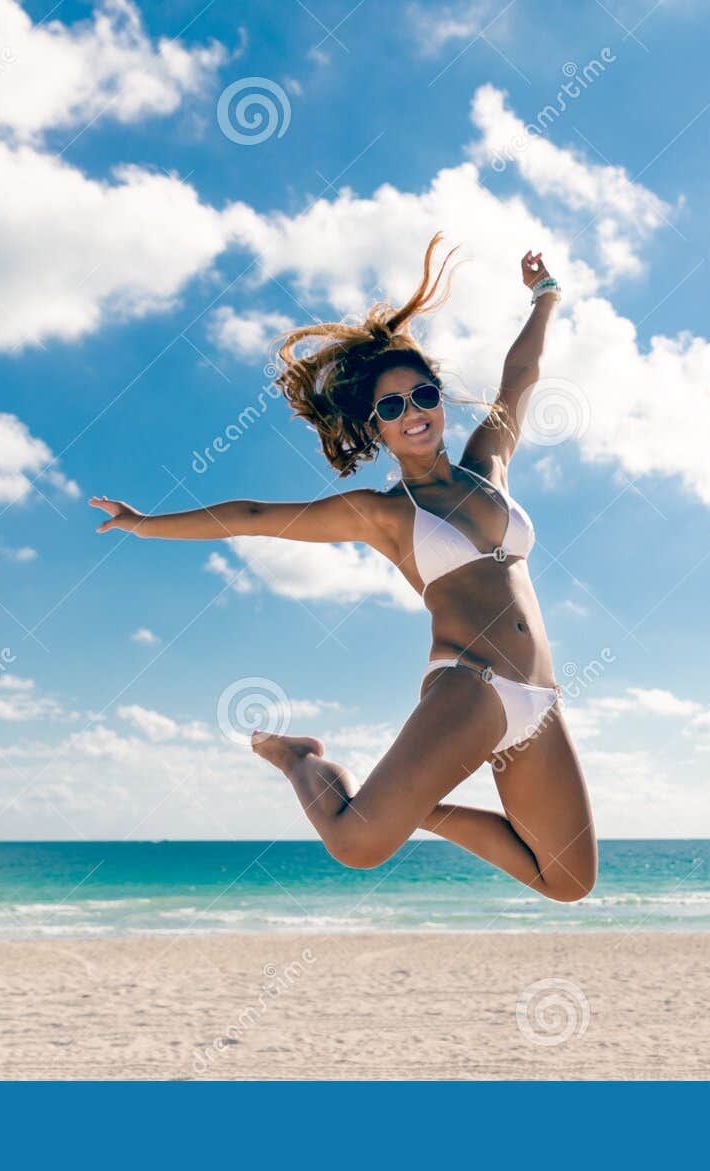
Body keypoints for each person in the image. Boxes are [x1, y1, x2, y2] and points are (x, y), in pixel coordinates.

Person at [90, 235, 595, 902]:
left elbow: (521, 377)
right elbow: (252, 514)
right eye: (391, 407)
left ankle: (413, 805)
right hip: (471, 684)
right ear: (376, 426)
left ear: (438, 397)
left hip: (538, 703)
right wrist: (145, 522)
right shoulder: (383, 513)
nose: (411, 413)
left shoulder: (489, 465)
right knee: (357, 844)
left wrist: (546, 296)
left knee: (567, 879)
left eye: (422, 395)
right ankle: (299, 756)